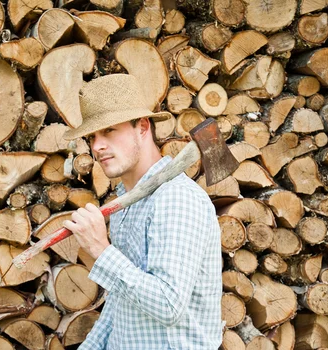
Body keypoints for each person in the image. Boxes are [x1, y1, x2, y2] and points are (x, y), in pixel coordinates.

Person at [61, 74, 223, 349]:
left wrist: (101, 250)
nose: (97, 146)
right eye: (92, 136)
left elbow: (168, 305)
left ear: (143, 127)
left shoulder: (176, 199)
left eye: (109, 130)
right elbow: (120, 304)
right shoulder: (127, 203)